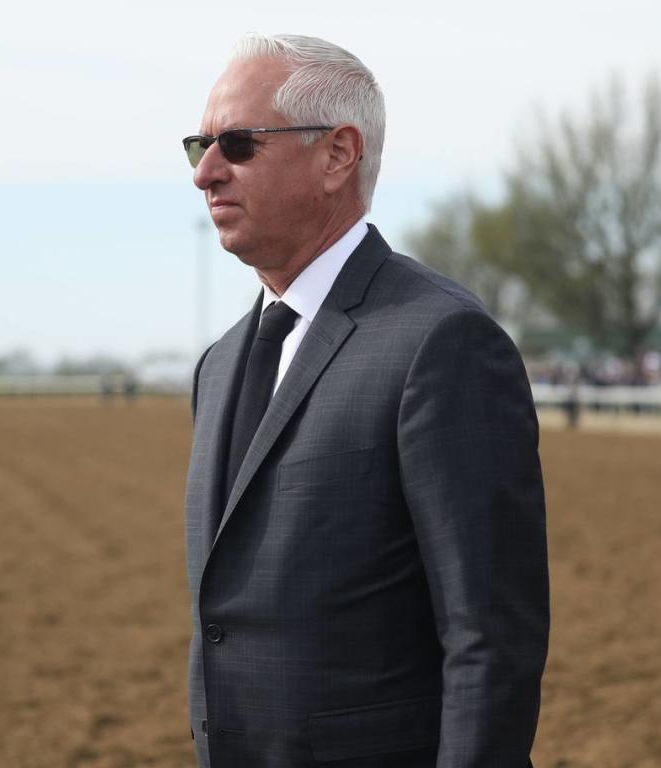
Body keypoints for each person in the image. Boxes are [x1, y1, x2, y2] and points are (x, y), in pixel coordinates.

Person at [183, 33, 548, 768]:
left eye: (238, 143)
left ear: (337, 155)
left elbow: (489, 638)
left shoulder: (442, 342)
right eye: (199, 147)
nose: (206, 174)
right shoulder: (218, 365)